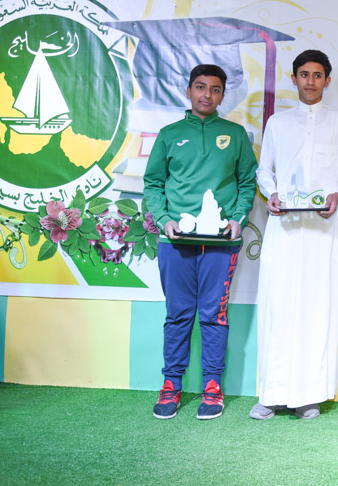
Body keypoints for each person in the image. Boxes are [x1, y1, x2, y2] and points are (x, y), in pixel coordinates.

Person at [251, 50, 338, 421]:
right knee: (277, 305)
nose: (310, 81)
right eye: (304, 74)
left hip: (320, 231)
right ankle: (272, 394)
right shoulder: (278, 123)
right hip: (283, 230)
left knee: (315, 307)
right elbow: (264, 170)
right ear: (294, 78)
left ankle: (308, 395)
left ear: (327, 80)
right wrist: (272, 193)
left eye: (317, 75)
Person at [144, 64, 258, 420]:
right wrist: (164, 220)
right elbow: (153, 184)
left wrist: (238, 219)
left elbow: (247, 183)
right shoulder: (169, 134)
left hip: (221, 244)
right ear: (189, 90)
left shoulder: (235, 134)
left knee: (214, 315)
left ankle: (212, 387)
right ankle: (171, 385)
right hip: (176, 242)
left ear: (223, 95)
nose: (207, 94)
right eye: (200, 87)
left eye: (215, 89)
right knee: (178, 315)